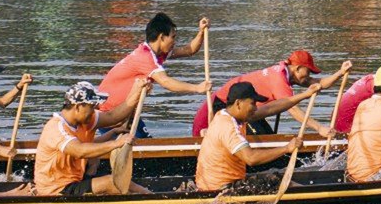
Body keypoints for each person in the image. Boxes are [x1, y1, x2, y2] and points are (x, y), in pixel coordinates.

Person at [194, 79, 318, 193]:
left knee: (272, 175)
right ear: (238, 103)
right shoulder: (229, 127)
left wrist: (306, 94)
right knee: (278, 180)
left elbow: (271, 108)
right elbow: (251, 158)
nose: (255, 108)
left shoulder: (225, 114)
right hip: (221, 189)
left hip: (211, 185)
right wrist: (287, 148)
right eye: (252, 103)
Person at [93, 13, 211, 128]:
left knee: (143, 142)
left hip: (124, 113)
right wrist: (197, 88)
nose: (174, 41)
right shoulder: (145, 56)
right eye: (173, 37)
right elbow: (166, 82)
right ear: (161, 37)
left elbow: (188, 50)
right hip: (109, 114)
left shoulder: (158, 53)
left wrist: (201, 32)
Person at [32, 81, 141, 197]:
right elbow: (80, 151)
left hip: (76, 180)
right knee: (112, 183)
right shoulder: (55, 128)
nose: (94, 111)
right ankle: (156, 201)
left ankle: (150, 198)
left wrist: (137, 91)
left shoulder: (84, 119)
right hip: (57, 189)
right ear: (78, 107)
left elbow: (113, 116)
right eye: (92, 107)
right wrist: (117, 143)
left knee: (98, 160)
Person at [194, 49, 337, 135]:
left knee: (268, 136)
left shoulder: (287, 72)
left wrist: (341, 73)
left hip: (249, 108)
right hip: (225, 106)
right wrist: (319, 128)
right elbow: (293, 109)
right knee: (264, 140)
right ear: (297, 68)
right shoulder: (279, 79)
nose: (309, 75)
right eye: (309, 71)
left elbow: (318, 84)